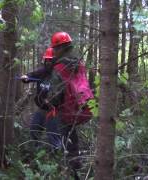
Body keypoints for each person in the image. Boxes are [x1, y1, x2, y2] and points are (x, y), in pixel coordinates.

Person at [44, 32, 94, 170]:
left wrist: (49, 103)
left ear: (59, 48)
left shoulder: (59, 68)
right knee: (71, 135)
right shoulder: (79, 63)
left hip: (67, 108)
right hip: (84, 104)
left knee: (65, 136)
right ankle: (75, 161)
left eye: (54, 48)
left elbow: (56, 93)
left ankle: (72, 168)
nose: (53, 52)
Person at [20, 48, 62, 150]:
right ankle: (36, 153)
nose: (48, 62)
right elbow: (32, 75)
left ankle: (57, 157)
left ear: (55, 61)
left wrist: (52, 101)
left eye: (50, 60)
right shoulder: (43, 72)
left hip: (54, 111)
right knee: (34, 129)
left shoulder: (60, 74)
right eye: (46, 60)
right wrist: (26, 77)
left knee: (53, 135)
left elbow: (62, 93)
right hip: (42, 109)